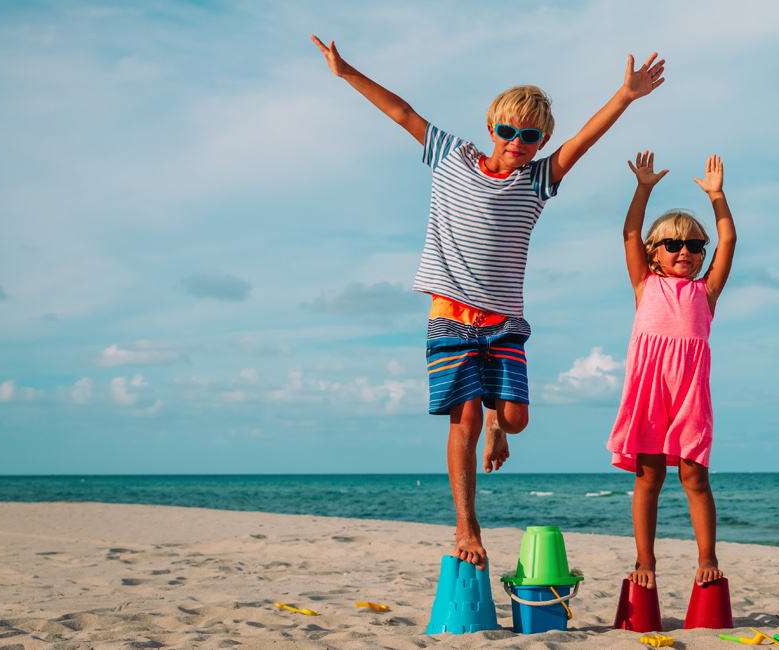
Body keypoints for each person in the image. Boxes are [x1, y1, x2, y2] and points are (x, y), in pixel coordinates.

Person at [310, 35, 666, 570]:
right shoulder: (450, 156)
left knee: (515, 420)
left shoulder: (538, 179)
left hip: (504, 324)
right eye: (507, 131)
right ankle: (466, 525)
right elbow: (401, 111)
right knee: (465, 419)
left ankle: (500, 427)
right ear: (490, 126)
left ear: (542, 139)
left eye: (530, 135)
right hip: (451, 317)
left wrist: (625, 96)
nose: (516, 142)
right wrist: (346, 72)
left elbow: (584, 141)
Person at [608, 151, 736, 589]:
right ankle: (646, 562)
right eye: (674, 245)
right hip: (649, 390)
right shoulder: (646, 284)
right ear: (654, 252)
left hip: (690, 393)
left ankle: (707, 557)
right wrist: (643, 189)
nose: (686, 252)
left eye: (696, 246)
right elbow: (628, 233)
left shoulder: (707, 291)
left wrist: (718, 197)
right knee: (649, 476)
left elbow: (730, 241)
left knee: (694, 475)